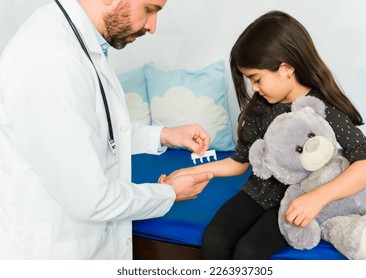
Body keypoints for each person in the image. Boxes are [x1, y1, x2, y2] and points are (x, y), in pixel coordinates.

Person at [159, 10, 366, 259]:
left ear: (286, 68)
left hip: (296, 199)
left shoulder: (323, 109)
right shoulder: (260, 107)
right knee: (213, 238)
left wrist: (317, 199)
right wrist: (189, 172)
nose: (253, 88)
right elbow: (240, 162)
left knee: (249, 251)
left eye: (256, 79)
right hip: (257, 193)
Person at [0, 0, 214, 260]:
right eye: (149, 9)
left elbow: (96, 131)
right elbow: (92, 199)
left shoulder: (78, 42)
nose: (153, 26)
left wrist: (164, 135)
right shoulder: (53, 60)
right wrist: (170, 193)